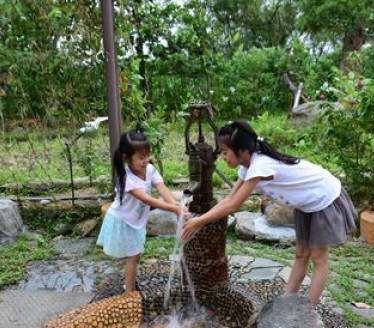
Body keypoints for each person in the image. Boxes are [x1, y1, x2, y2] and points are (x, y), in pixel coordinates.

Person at [181, 120, 357, 306]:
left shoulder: (260, 166)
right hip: (305, 202)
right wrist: (200, 219)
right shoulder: (247, 167)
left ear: (241, 151)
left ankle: (309, 310)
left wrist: (199, 221)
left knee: (319, 258)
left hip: (323, 197)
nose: (223, 157)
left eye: (225, 152)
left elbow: (233, 206)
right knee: (301, 253)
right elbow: (229, 200)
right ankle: (287, 300)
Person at [97, 129, 188, 292]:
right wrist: (174, 208)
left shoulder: (150, 169)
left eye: (148, 155)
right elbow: (146, 199)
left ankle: (130, 287)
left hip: (136, 221)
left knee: (135, 255)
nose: (146, 160)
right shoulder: (126, 176)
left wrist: (175, 204)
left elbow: (162, 188)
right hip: (123, 220)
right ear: (126, 157)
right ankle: (130, 293)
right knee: (133, 257)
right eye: (141, 157)